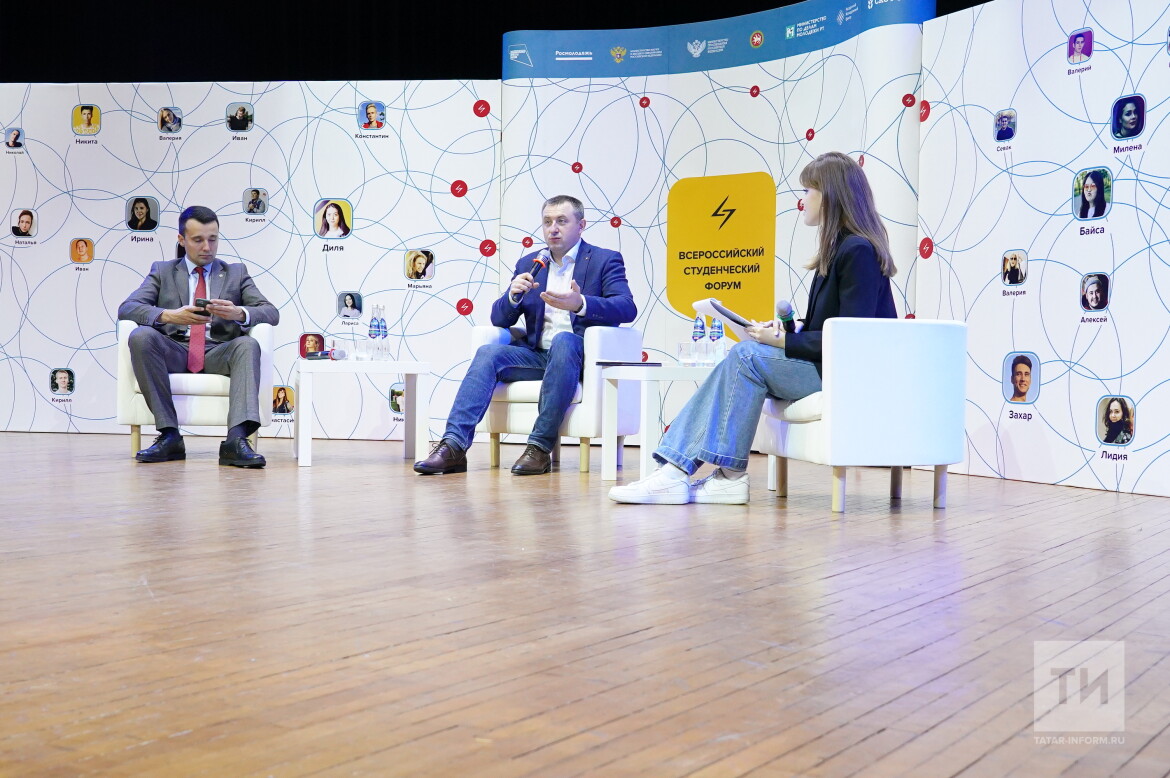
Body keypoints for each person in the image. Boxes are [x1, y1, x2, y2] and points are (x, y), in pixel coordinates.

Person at [609, 151, 897, 505]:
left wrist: (781, 341)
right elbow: (831, 326)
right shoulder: (842, 249)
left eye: (808, 190)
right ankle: (721, 477)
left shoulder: (857, 251)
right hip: (829, 367)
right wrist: (790, 331)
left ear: (829, 195)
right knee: (744, 356)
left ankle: (681, 471)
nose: (802, 200)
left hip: (845, 373)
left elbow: (851, 339)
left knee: (746, 356)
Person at [414, 194, 637, 476]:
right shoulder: (530, 264)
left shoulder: (604, 260)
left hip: (579, 357)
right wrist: (512, 297)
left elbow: (626, 307)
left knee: (564, 341)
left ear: (581, 225)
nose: (553, 229)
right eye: (547, 222)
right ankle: (453, 447)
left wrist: (580, 304)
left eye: (561, 221)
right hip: (537, 355)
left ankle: (539, 448)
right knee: (488, 353)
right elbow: (499, 319)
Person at [117, 205, 280, 467]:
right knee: (141, 336)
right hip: (174, 349)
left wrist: (238, 313)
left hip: (218, 351)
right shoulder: (163, 271)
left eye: (213, 239)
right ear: (181, 240)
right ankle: (169, 435)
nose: (207, 247)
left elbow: (270, 312)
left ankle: (236, 441)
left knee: (247, 345)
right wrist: (170, 316)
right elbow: (127, 308)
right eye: (198, 240)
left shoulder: (236, 273)